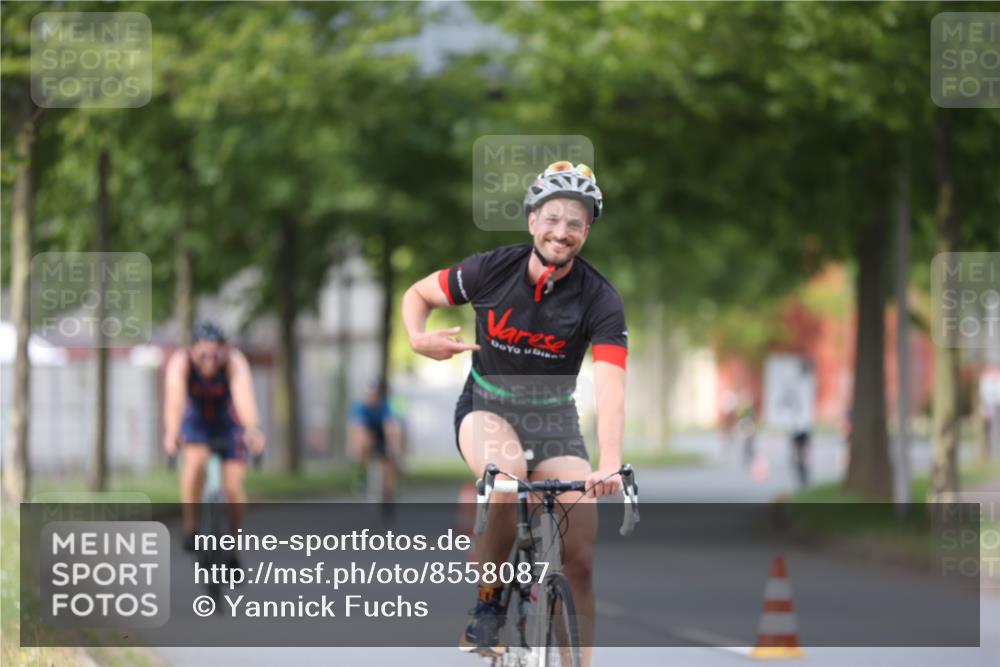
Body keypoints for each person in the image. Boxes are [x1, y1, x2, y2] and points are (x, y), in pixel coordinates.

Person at [401, 160, 627, 662]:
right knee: (506, 476)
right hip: (487, 407)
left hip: (555, 421)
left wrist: (608, 461)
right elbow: (417, 293)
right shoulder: (491, 270)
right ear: (531, 221)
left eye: (575, 223)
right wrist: (418, 339)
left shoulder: (601, 299)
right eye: (552, 218)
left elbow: (611, 387)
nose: (561, 232)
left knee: (582, 557)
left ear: (587, 231)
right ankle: (488, 605)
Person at [162, 321, 266, 552]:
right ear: (192, 350)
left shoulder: (234, 362)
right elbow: (174, 400)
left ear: (225, 350)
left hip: (228, 424)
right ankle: (191, 527)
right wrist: (171, 433)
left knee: (234, 488)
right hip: (196, 423)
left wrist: (252, 429)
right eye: (203, 354)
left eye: (215, 354)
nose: (209, 360)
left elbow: (243, 397)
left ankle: (233, 542)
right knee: (195, 464)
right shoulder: (180, 363)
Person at [348, 380, 404, 513]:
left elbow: (390, 426)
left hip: (382, 436)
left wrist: (392, 446)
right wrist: (355, 447)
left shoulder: (384, 407)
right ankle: (361, 475)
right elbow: (356, 428)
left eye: (374, 394)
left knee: (388, 465)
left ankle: (388, 495)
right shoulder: (360, 408)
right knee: (363, 437)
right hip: (367, 434)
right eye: (369, 394)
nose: (372, 397)